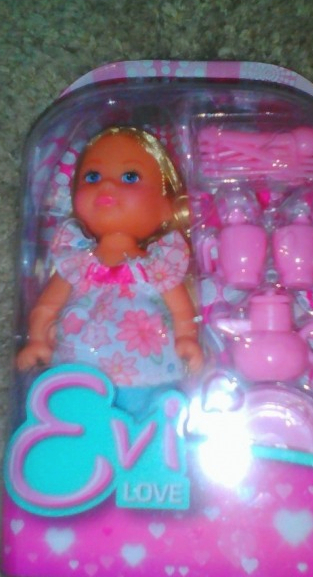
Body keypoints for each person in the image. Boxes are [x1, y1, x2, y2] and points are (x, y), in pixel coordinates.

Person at [16, 126, 203, 414]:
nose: (107, 186)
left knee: (148, 415)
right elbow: (47, 306)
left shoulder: (158, 265)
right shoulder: (77, 261)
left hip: (147, 366)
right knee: (80, 416)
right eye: (92, 177)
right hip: (80, 366)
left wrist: (186, 338)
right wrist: (38, 339)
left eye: (130, 177)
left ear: (168, 206)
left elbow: (181, 311)